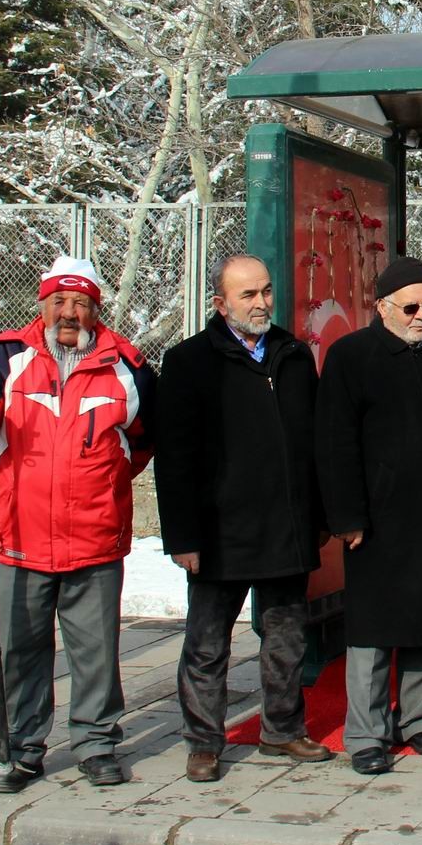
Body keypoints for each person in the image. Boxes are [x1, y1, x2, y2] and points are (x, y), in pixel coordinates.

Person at [0, 255, 157, 792]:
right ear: (42, 305)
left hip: (95, 536)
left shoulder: (126, 365)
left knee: (96, 652)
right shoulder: (6, 357)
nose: (70, 313)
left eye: (81, 303)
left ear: (96, 311)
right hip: (19, 535)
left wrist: (106, 483)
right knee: (21, 649)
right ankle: (23, 749)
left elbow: (147, 438)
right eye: (60, 301)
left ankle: (97, 743)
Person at [155, 254, 328, 784]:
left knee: (286, 639)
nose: (261, 303)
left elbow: (316, 443)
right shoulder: (189, 361)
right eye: (248, 295)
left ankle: (281, 729)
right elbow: (175, 457)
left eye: (266, 291)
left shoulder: (294, 355)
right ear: (220, 303)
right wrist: (182, 536)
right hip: (218, 533)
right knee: (208, 645)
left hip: (285, 529)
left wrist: (317, 517)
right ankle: (204, 742)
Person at [316, 256, 422, 776]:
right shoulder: (350, 356)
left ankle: (417, 721)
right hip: (377, 520)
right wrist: (346, 515)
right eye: (410, 306)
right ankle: (365, 733)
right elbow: (333, 442)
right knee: (372, 628)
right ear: (382, 307)